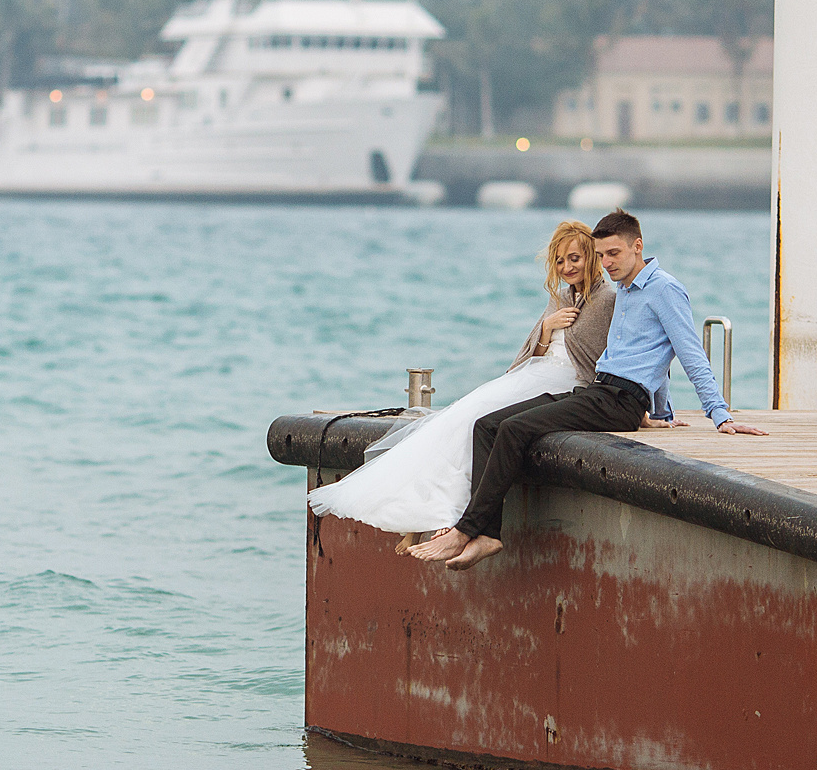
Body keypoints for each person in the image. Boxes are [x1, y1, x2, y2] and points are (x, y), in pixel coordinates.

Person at [408, 209, 768, 571]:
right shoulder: (625, 290)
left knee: (515, 430)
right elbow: (648, 355)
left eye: (614, 253)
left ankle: (467, 530)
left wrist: (719, 415)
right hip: (598, 392)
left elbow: (688, 352)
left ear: (637, 246)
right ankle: (487, 533)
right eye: (601, 255)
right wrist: (661, 413)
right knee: (487, 425)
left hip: (620, 400)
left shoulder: (664, 289)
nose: (606, 263)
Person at [308, 220, 615, 537]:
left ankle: (450, 514)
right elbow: (535, 352)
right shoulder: (560, 298)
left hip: (567, 383)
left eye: (574, 259)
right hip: (535, 372)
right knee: (463, 413)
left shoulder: (606, 299)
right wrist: (548, 327)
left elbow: (607, 357)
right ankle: (423, 512)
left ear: (591, 257)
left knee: (483, 421)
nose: (567, 267)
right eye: (560, 261)